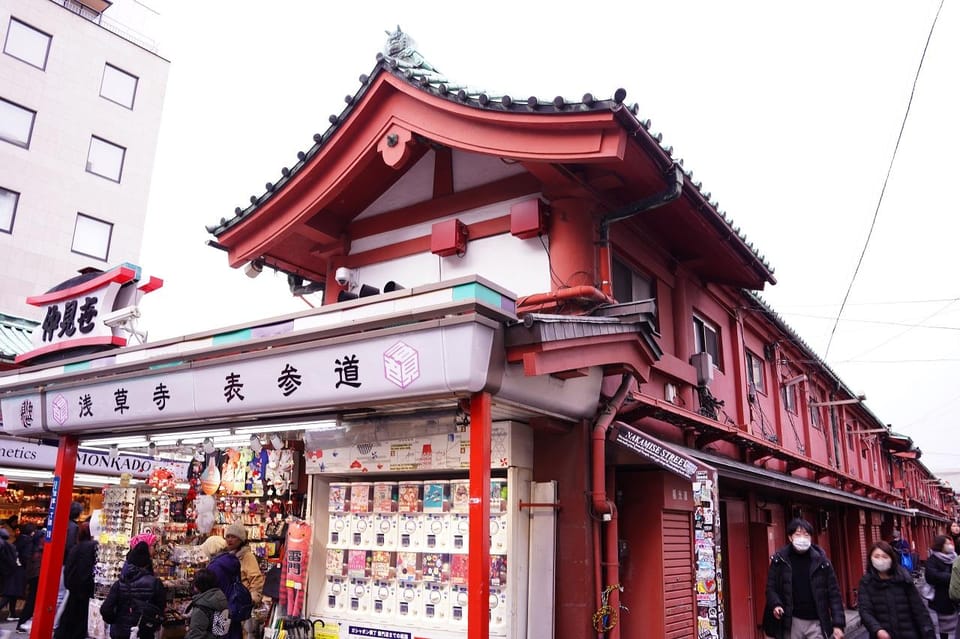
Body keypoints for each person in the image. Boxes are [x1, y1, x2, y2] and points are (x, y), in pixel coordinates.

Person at [764, 518, 845, 639]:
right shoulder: (779, 561)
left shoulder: (822, 562)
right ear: (790, 537)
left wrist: (838, 624)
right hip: (792, 621)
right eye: (798, 534)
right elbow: (771, 588)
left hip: (817, 622)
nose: (802, 538)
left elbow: (834, 595)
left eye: (806, 535)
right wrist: (776, 604)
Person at [858, 540, 936, 639]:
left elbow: (919, 609)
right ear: (870, 559)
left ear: (891, 558)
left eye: (885, 556)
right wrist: (877, 629)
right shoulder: (866, 582)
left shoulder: (903, 578)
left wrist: (928, 632)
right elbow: (865, 611)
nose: (881, 560)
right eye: (876, 556)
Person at [100, 541, 166, 639]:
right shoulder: (155, 583)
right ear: (147, 563)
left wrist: (116, 621)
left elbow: (105, 609)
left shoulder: (119, 584)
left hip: (120, 634)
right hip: (143, 633)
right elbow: (160, 610)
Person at [55, 522, 97, 639]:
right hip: (86, 588)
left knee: (69, 615)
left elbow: (68, 568)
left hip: (74, 587)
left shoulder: (75, 548)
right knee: (81, 619)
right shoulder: (93, 546)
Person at [225, 523, 264, 639]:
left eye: (233, 537)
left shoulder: (247, 556)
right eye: (228, 536)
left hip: (242, 605)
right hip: (231, 604)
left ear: (241, 539)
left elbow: (256, 579)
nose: (230, 540)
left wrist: (252, 598)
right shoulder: (228, 556)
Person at [202, 535, 242, 639]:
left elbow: (210, 591)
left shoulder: (213, 567)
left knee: (220, 635)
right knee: (233, 633)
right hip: (234, 605)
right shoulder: (233, 560)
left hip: (219, 609)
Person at [54, 501, 85, 630]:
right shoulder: (73, 527)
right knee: (61, 594)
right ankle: (55, 622)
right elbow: (70, 546)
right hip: (65, 563)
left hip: (56, 561)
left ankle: (54, 620)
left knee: (57, 594)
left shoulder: (60, 523)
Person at [924, 535, 958, 639]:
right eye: (947, 544)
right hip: (941, 597)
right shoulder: (932, 560)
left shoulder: (955, 557)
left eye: (950, 543)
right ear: (940, 545)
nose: (950, 546)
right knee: (945, 626)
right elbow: (931, 576)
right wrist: (953, 577)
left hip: (956, 595)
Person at [185, 568, 228, 639]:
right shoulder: (219, 598)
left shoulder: (202, 606)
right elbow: (220, 629)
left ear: (199, 584)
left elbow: (195, 635)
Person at [15, 523, 42, 634]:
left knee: (32, 599)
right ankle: (24, 622)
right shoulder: (37, 552)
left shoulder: (32, 549)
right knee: (32, 600)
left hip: (31, 575)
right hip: (35, 576)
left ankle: (24, 622)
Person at [0, 527, 20, 620]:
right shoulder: (9, 545)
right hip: (9, 571)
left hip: (4, 571)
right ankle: (12, 613)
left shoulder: (2, 544)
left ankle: (12, 613)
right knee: (9, 593)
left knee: (8, 593)